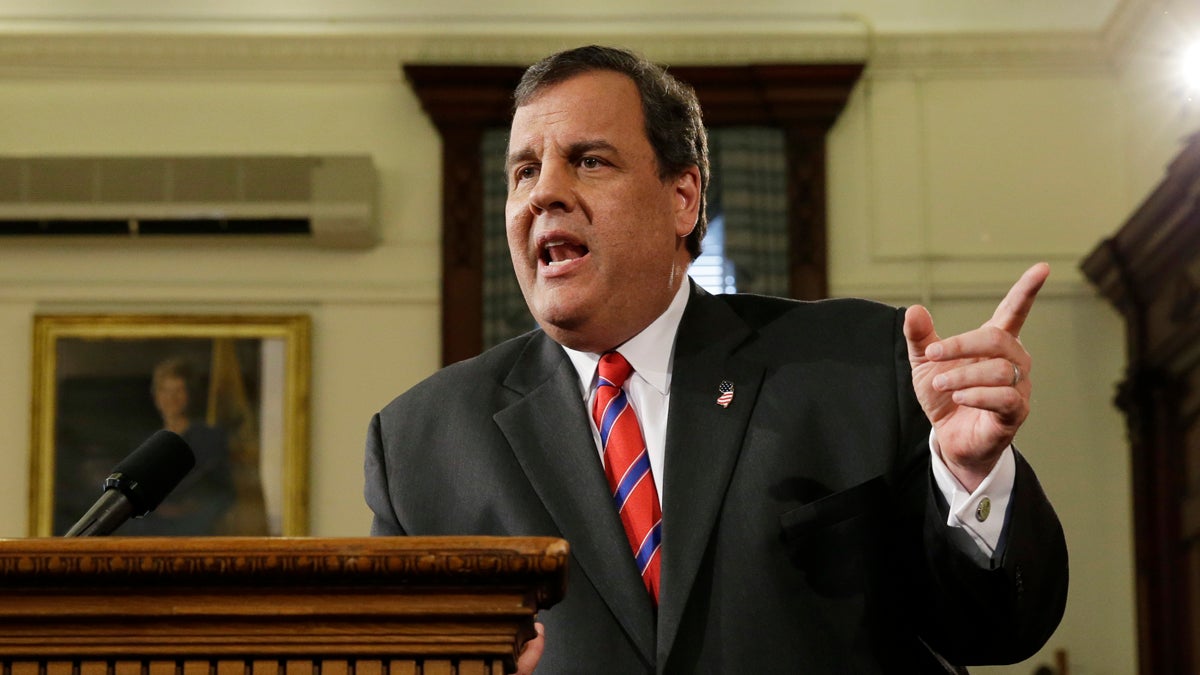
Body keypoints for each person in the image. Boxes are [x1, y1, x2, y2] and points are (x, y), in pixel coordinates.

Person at [364, 45, 1067, 673]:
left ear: (682, 196)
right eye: (524, 170)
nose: (543, 191)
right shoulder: (419, 443)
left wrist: (973, 476)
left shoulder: (856, 366)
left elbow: (995, 630)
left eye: (588, 160)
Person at [121, 356, 237, 535]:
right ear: (157, 396)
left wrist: (192, 516)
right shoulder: (143, 444)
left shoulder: (210, 438)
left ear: (188, 394)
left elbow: (223, 493)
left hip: (198, 530)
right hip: (151, 532)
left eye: (178, 390)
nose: (171, 398)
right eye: (166, 391)